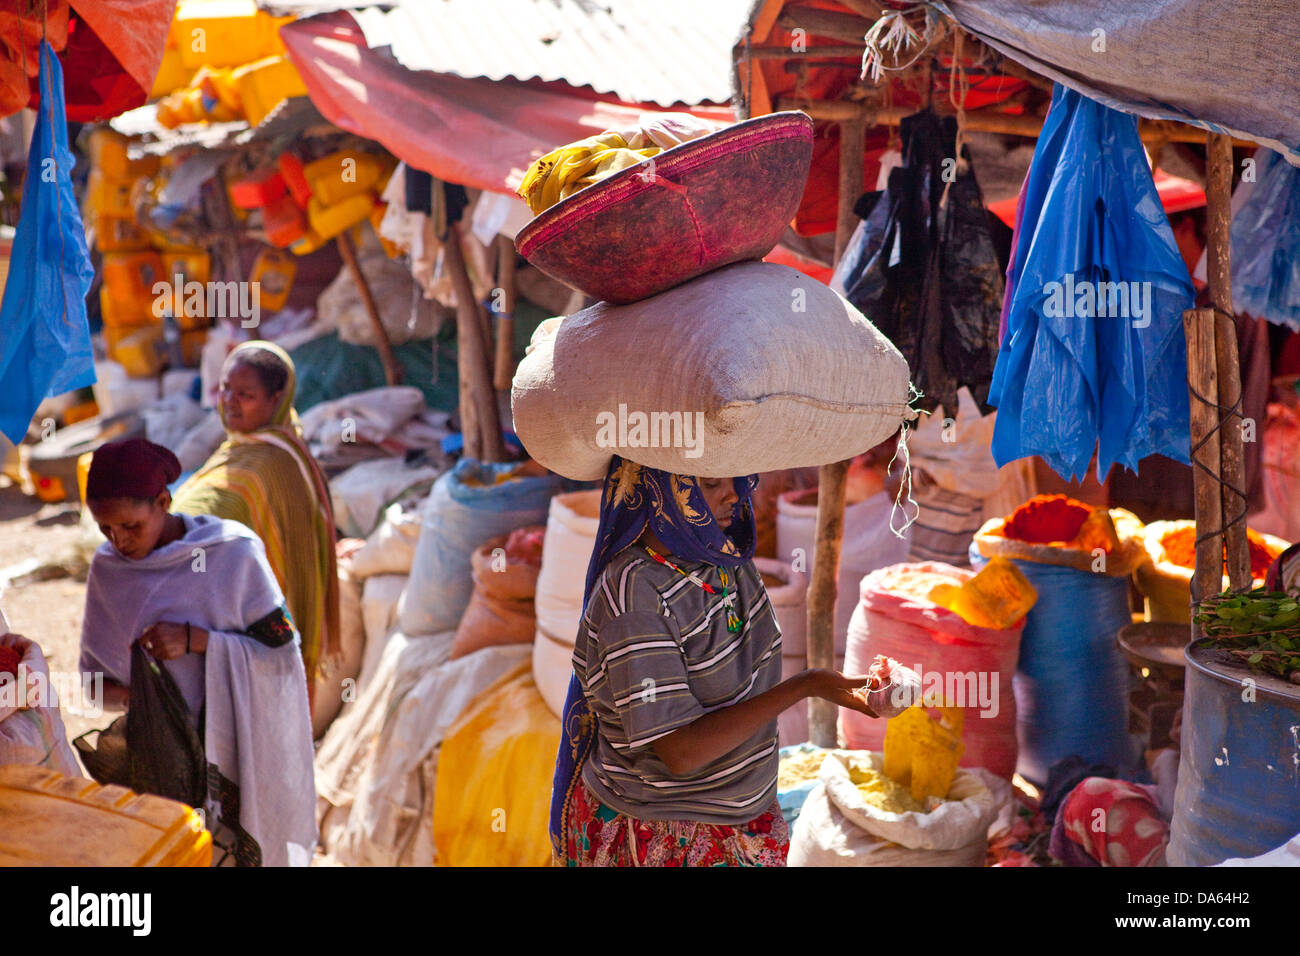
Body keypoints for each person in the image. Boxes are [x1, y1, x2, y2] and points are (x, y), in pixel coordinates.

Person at [551, 457, 877, 866]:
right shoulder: (636, 597)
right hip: (667, 837)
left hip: (742, 821)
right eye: (710, 483)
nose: (734, 494)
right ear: (661, 487)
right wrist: (806, 685)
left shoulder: (725, 562)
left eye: (738, 479)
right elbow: (680, 751)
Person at [79, 438, 316, 866]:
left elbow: (282, 649)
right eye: (105, 529)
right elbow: (94, 687)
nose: (119, 541)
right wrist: (142, 698)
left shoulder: (230, 552)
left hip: (239, 756)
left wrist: (197, 640)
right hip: (159, 763)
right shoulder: (109, 570)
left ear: (163, 501)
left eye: (131, 526)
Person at [171, 340, 339, 709]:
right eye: (226, 389)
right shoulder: (239, 448)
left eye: (245, 394)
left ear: (277, 399)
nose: (229, 400)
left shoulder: (275, 464)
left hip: (257, 637)